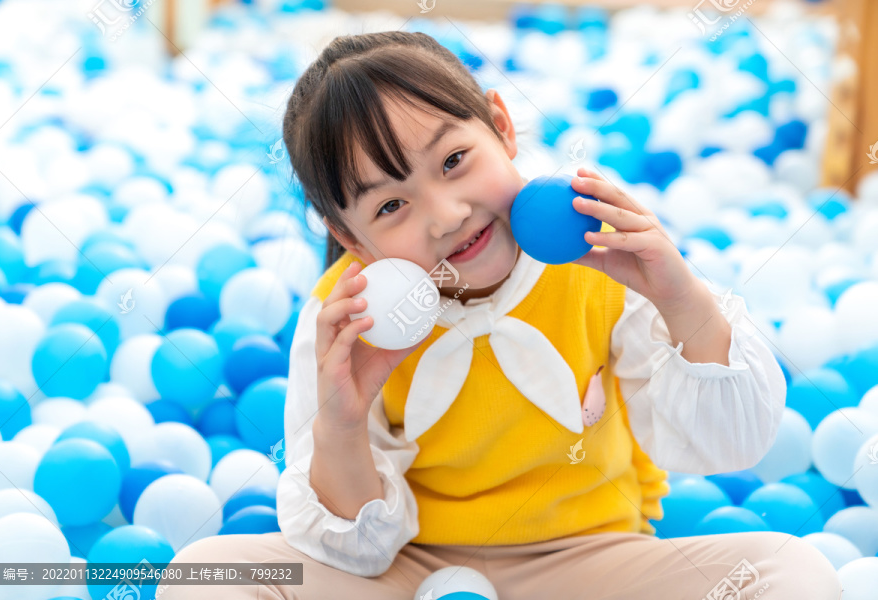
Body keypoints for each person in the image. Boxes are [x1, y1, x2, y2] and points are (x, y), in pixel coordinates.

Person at [162, 30, 841, 600]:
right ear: (351, 241)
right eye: (390, 207)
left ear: (502, 127)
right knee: (205, 575)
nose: (447, 215)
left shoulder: (596, 258)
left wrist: (678, 294)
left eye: (454, 161)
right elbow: (359, 557)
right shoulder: (346, 319)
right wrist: (341, 421)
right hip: (410, 572)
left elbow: (732, 445)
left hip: (587, 566)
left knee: (791, 570)